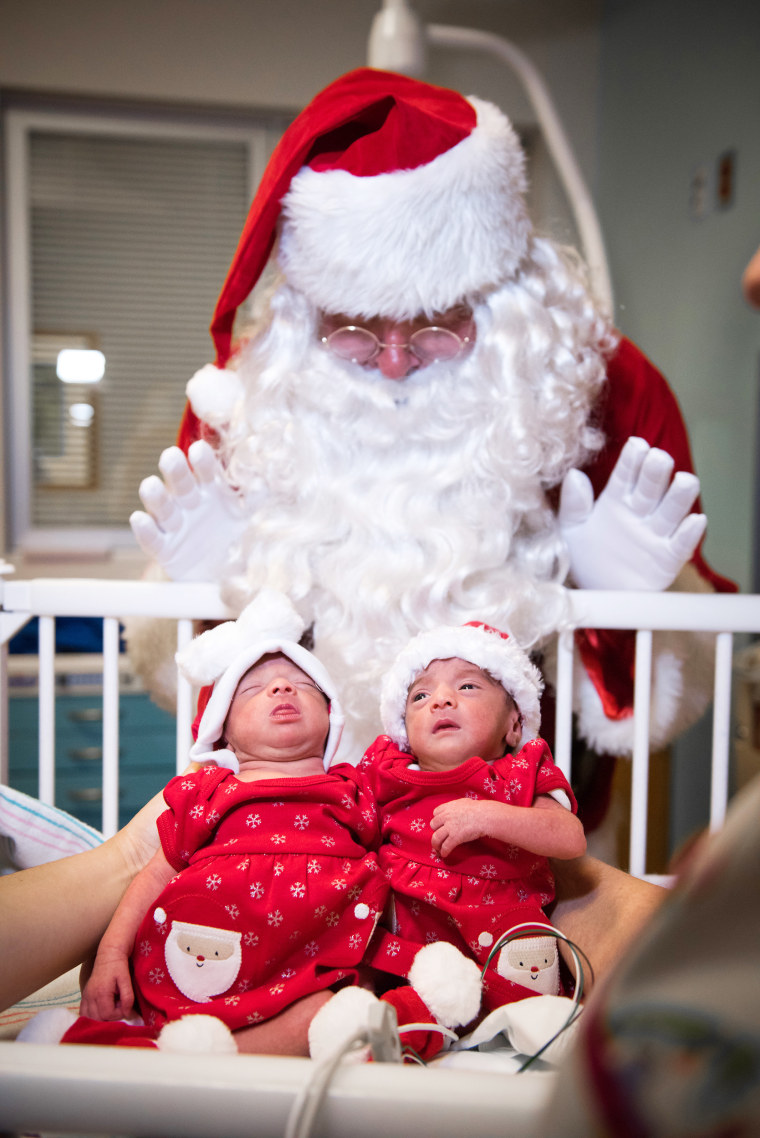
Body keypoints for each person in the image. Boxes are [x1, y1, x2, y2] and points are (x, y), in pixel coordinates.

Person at [126, 67, 734, 780]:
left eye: (438, 324)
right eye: (351, 327)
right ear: (307, 311)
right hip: (296, 832)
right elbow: (183, 685)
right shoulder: (250, 396)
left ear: (503, 302)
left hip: (528, 841)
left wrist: (622, 606)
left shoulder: (600, 381)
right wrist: (207, 597)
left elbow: (678, 694)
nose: (392, 363)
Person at [44, 591, 388, 1052]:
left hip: (310, 964)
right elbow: (152, 879)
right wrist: (110, 954)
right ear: (222, 727)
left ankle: (204, 1053)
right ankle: (199, 1048)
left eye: (303, 684)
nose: (282, 689)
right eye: (253, 688)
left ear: (331, 715)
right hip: (208, 953)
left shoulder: (355, 789)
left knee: (343, 1006)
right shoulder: (206, 793)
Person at [308, 619, 588, 1063]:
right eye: (420, 696)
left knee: (519, 1009)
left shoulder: (522, 770)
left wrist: (489, 816)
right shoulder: (388, 771)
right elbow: (347, 818)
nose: (440, 699)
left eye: (469, 687)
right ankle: (386, 1024)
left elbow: (569, 838)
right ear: (404, 731)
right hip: (406, 944)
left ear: (514, 725)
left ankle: (422, 1028)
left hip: (498, 948)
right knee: (351, 950)